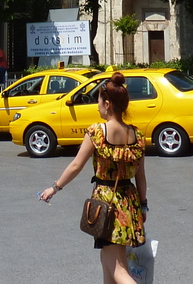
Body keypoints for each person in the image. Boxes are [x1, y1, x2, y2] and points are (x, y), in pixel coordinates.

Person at [39, 71, 147, 284]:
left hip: (106, 203)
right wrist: (143, 206)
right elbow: (141, 177)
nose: (96, 105)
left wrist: (55, 187)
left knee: (117, 269)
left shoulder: (97, 132)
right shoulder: (137, 135)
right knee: (111, 262)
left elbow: (76, 165)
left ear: (107, 104)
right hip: (130, 203)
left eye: (98, 100)